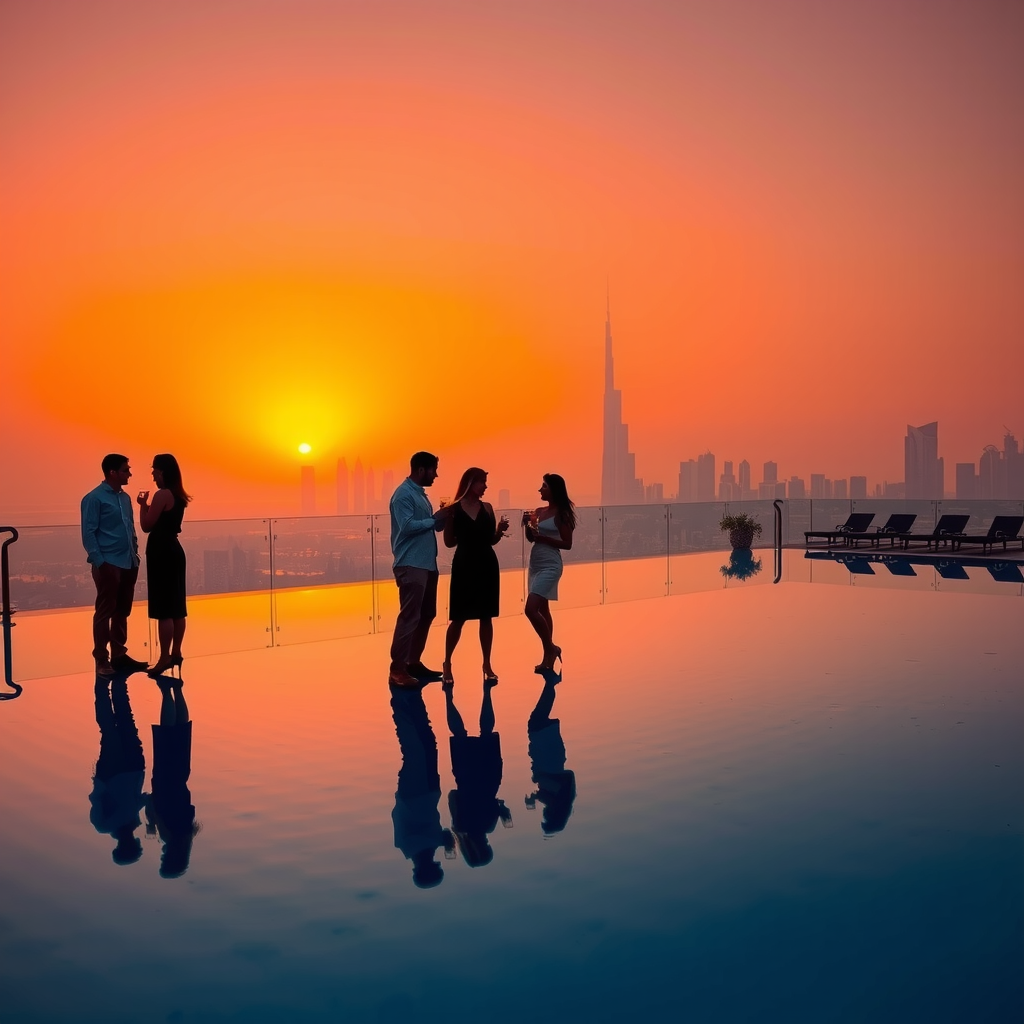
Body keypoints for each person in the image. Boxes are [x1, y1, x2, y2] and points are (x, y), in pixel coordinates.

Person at [388, 451, 453, 688]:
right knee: (409, 617)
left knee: (426, 615)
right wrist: (434, 519)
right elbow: (406, 527)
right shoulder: (403, 495)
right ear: (421, 470)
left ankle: (413, 663)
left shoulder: (420, 496)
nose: (436, 475)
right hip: (411, 564)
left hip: (426, 564)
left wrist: (442, 520)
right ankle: (397, 669)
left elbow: (429, 527)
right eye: (433, 470)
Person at [441, 467, 509, 686]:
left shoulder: (488, 508)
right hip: (464, 566)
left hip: (487, 565)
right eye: (482, 482)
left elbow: (491, 540)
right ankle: (447, 663)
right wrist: (449, 520)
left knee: (486, 616)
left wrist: (499, 530)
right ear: (470, 483)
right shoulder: (453, 509)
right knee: (458, 618)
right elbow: (449, 542)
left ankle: (487, 664)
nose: (485, 486)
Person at [81, 454, 147, 676]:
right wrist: (101, 562)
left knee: (122, 610)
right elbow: (88, 533)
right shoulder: (94, 499)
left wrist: (135, 555)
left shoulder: (125, 498)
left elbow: (130, 528)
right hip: (108, 563)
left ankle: (119, 654)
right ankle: (101, 659)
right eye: (125, 470)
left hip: (128, 562)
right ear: (112, 472)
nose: (129, 473)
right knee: (105, 611)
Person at [137, 454, 190, 677]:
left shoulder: (162, 494)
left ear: (161, 472)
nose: (152, 475)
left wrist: (142, 506)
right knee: (177, 608)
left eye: (154, 471)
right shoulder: (179, 496)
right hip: (174, 550)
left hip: (161, 551)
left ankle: (164, 657)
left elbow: (147, 526)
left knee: (164, 610)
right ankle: (176, 652)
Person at [524, 473, 576, 675]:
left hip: (551, 564)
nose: (540, 489)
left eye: (544, 486)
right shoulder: (538, 511)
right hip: (535, 563)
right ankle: (548, 656)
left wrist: (544, 539)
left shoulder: (562, 514)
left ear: (553, 490)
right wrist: (528, 526)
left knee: (531, 609)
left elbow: (567, 544)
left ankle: (551, 649)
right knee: (543, 609)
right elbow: (533, 538)